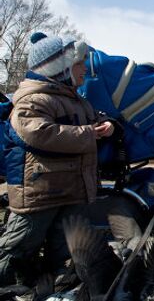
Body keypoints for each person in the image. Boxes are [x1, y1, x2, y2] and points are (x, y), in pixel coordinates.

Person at [0, 32, 115, 285]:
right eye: (78, 63)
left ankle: (54, 282)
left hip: (70, 190)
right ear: (58, 67)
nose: (84, 68)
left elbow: (93, 119)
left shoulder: (75, 99)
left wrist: (106, 126)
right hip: (39, 191)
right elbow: (36, 133)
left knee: (64, 245)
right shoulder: (33, 98)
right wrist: (88, 133)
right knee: (19, 245)